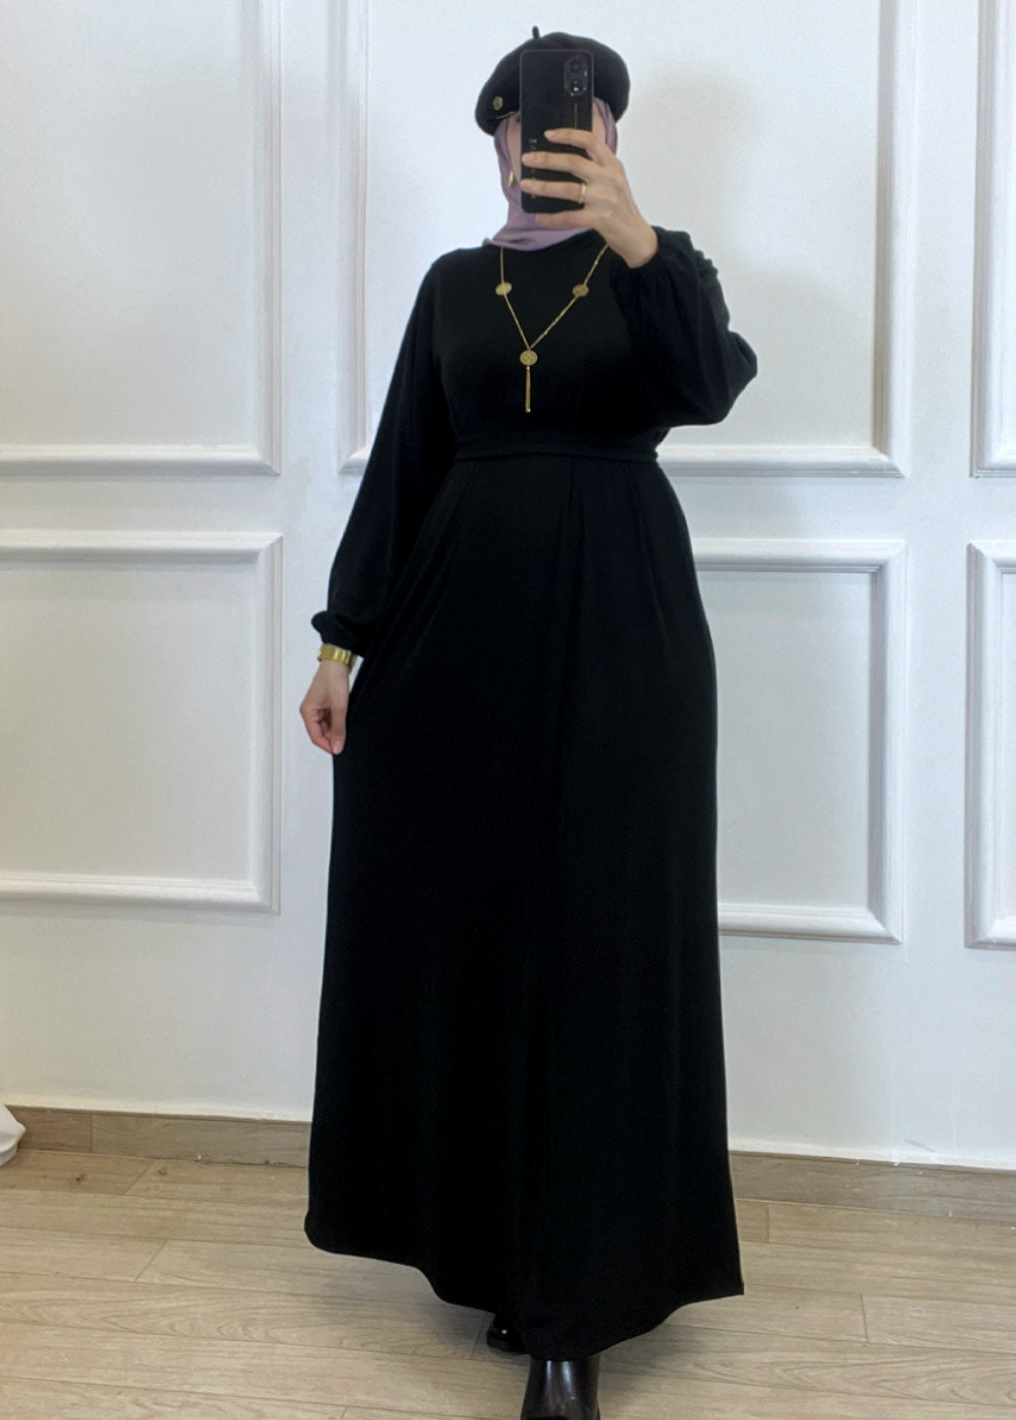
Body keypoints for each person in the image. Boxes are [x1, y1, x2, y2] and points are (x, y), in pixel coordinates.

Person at [299, 27, 758, 1420]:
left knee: (604, 947)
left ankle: (578, 1308)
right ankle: (499, 1254)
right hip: (456, 648)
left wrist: (636, 236)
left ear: (612, 136)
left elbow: (709, 386)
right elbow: (406, 463)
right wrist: (341, 642)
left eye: (583, 121)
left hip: (625, 641)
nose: (550, 143)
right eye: (527, 122)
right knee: (476, 939)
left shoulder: (663, 268)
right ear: (495, 134)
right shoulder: (456, 285)